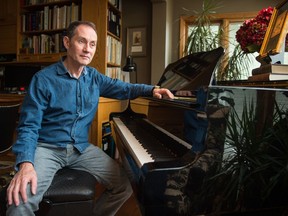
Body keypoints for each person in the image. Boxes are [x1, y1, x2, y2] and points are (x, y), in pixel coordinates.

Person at [6, 21, 174, 216]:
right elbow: (28, 126)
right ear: (67, 42)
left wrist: (152, 89)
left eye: (92, 44)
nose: (87, 49)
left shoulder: (94, 77)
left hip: (81, 149)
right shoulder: (43, 79)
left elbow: (124, 88)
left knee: (126, 185)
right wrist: (26, 164)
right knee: (20, 202)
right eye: (82, 41)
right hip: (47, 148)